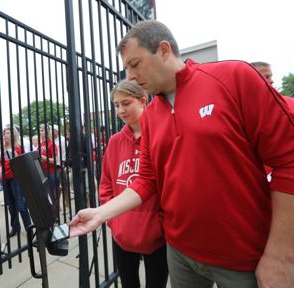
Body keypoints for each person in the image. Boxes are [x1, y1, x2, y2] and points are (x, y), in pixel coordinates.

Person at [69, 20, 294, 288]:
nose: (129, 75)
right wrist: (100, 213)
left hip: (242, 258)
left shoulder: (233, 77)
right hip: (180, 253)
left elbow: (288, 161)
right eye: (126, 67)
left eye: (135, 64)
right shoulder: (151, 114)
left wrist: (282, 255)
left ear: (163, 50)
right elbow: (145, 179)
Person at [101, 79, 168, 287]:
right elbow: (106, 184)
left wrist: (161, 224)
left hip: (156, 236)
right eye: (116, 105)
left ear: (142, 100)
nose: (121, 110)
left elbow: (169, 184)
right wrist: (114, 221)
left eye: (126, 103)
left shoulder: (159, 135)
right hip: (123, 233)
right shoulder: (114, 142)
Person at [0, 127, 32, 237]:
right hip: (5, 177)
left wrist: (16, 158)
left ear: (13, 135)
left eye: (8, 133)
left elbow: (23, 162)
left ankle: (29, 228)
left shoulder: (18, 147)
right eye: (5, 133)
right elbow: (2, 163)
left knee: (20, 205)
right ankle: (15, 227)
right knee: (10, 205)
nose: (6, 135)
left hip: (16, 177)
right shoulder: (2, 147)